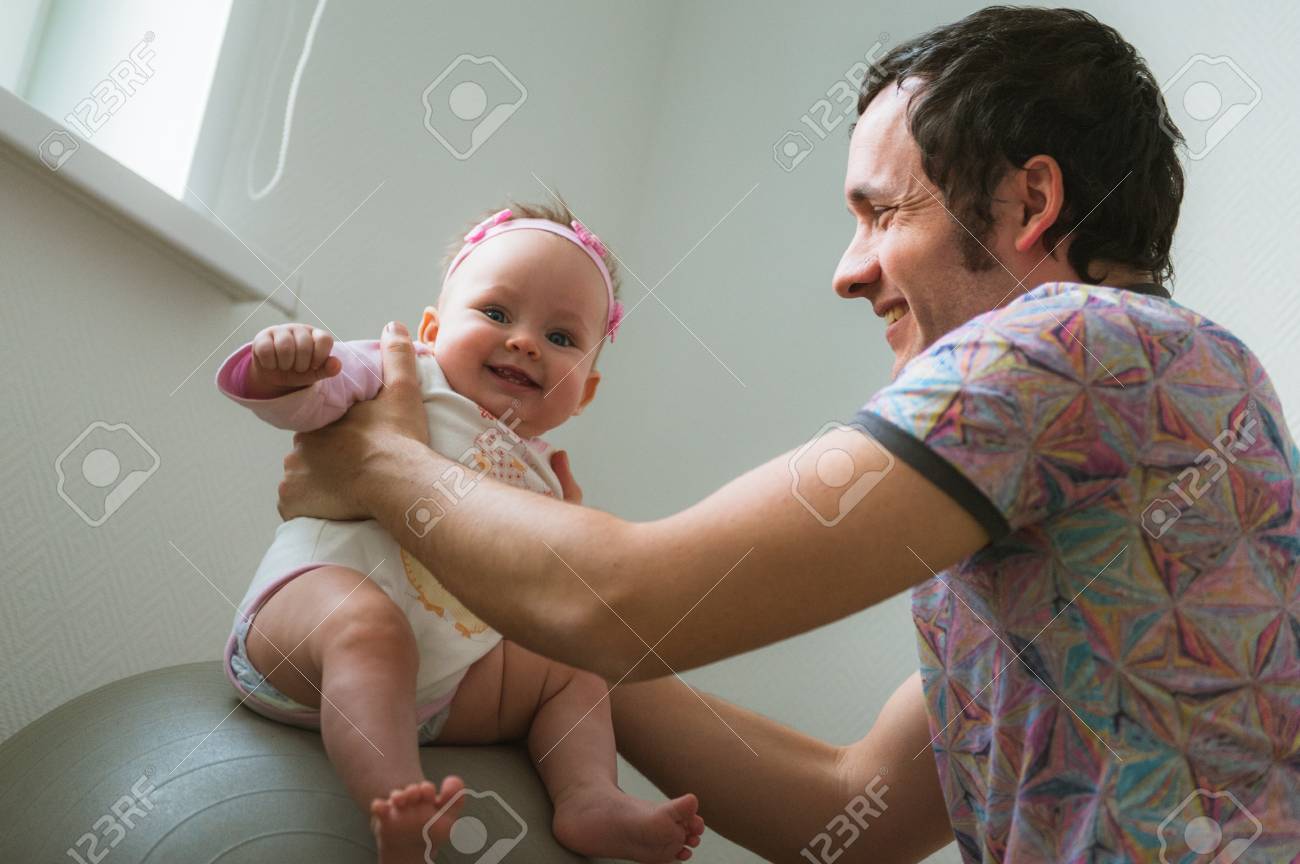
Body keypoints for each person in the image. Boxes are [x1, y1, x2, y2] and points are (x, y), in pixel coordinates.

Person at [275, 8, 1300, 862]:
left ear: (1028, 202)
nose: (847, 271)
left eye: (881, 213)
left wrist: (373, 458)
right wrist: (547, 648)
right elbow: (844, 813)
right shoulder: (1134, 417)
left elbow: (629, 604)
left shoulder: (1069, 342)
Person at [216, 202, 703, 863]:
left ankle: (588, 797)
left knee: (573, 668)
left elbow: (546, 593)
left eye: (561, 338)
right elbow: (302, 401)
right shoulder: (402, 372)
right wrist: (280, 367)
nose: (526, 341)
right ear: (431, 328)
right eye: (497, 314)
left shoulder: (547, 479)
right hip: (306, 637)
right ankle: (401, 805)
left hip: (439, 689)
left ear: (583, 392)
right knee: (369, 624)